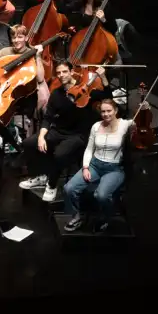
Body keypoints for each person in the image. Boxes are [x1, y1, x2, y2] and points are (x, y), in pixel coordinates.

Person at [21, 59, 92, 202]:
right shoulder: (56, 93)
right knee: (29, 143)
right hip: (59, 131)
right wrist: (41, 137)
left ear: (72, 72)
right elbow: (48, 118)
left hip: (77, 134)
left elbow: (105, 96)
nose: (61, 75)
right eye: (58, 73)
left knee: (59, 154)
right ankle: (41, 176)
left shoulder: (84, 89)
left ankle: (52, 184)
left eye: (65, 72)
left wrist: (103, 79)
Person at [59, 96, 130, 233]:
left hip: (114, 168)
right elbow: (89, 149)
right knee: (69, 188)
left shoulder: (125, 125)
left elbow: (142, 124)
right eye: (103, 111)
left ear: (116, 110)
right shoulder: (96, 126)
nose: (106, 114)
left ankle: (106, 217)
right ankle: (77, 216)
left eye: (109, 111)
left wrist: (145, 109)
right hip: (95, 165)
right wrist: (85, 167)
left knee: (101, 196)